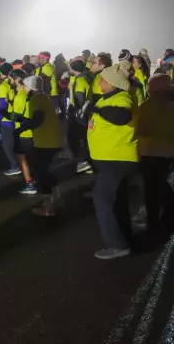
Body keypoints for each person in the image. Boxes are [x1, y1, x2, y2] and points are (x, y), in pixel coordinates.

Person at [84, 65, 139, 260]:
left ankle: (117, 245)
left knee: (102, 200)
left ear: (113, 83)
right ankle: (126, 237)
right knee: (117, 201)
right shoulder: (106, 98)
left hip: (116, 159)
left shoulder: (122, 97)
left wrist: (96, 109)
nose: (100, 82)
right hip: (108, 158)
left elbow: (122, 116)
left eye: (103, 80)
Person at [15, 76, 62, 217]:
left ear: (29, 87)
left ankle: (48, 207)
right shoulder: (43, 97)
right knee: (48, 171)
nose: (23, 88)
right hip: (52, 139)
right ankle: (57, 198)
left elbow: (38, 118)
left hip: (44, 142)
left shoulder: (35, 99)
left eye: (25, 85)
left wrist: (21, 128)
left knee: (43, 173)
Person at [136, 74, 174, 235]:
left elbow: (140, 129)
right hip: (169, 153)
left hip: (151, 153)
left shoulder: (147, 106)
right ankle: (167, 219)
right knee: (165, 186)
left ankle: (153, 223)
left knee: (152, 190)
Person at [8, 69, 37, 194]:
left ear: (17, 80)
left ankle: (29, 183)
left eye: (10, 79)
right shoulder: (33, 95)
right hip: (33, 132)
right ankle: (36, 180)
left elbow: (17, 116)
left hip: (24, 133)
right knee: (32, 159)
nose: (9, 82)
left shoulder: (20, 96)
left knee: (22, 158)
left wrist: (5, 113)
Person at [0, 62, 21, 176]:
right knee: (15, 143)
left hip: (6, 119)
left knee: (7, 144)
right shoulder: (14, 83)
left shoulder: (3, 86)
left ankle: (14, 166)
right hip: (16, 116)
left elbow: (2, 105)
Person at [68, 59, 94, 173]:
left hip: (79, 113)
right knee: (83, 137)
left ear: (73, 69)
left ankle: (82, 161)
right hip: (86, 112)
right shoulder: (86, 77)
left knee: (74, 138)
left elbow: (79, 97)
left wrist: (78, 112)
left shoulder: (80, 81)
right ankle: (87, 161)